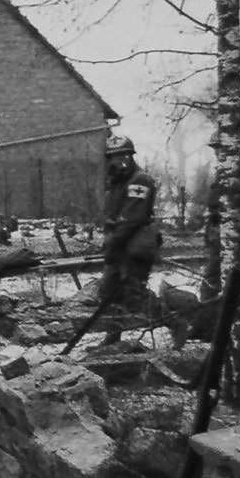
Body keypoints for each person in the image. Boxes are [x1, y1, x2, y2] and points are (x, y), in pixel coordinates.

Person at [96, 134, 160, 344]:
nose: (118, 161)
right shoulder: (117, 182)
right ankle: (112, 336)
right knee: (110, 292)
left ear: (130, 157)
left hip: (134, 246)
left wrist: (113, 242)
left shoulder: (140, 181)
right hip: (120, 244)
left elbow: (133, 218)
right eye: (114, 156)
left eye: (123, 156)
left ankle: (175, 318)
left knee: (134, 295)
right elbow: (113, 215)